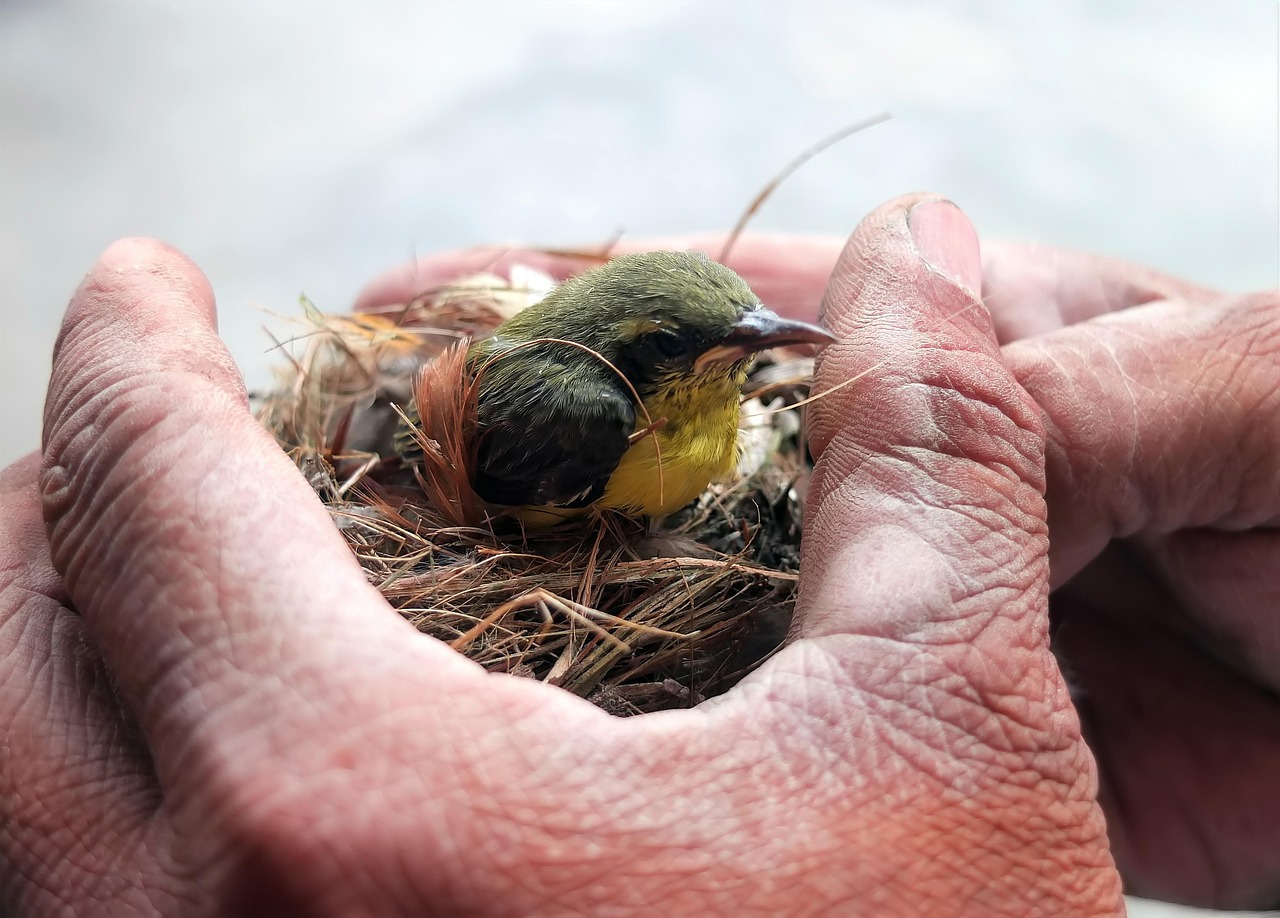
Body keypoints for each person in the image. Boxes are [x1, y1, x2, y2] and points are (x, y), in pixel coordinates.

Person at [0, 193, 1274, 916]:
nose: (763, 342)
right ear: (634, 362)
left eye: (750, 334)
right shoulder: (583, 415)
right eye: (706, 343)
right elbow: (430, 458)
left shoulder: (714, 414)